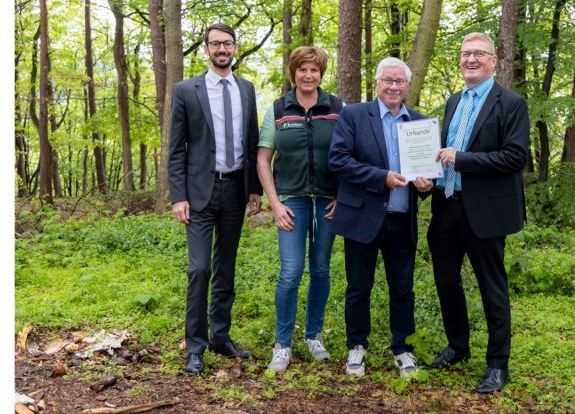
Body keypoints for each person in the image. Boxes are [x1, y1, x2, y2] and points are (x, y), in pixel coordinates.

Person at [423, 32, 530, 394]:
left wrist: (462, 159)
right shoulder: (454, 101)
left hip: (485, 213)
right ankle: (458, 346)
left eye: (479, 54)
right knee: (446, 282)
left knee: (492, 289)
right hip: (447, 207)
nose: (471, 59)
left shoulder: (511, 103)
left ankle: (498, 365)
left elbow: (515, 157)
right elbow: (442, 154)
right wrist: (426, 177)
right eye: (466, 54)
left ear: (493, 60)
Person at [328, 57, 434, 379]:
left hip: (402, 220)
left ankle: (403, 350)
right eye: (388, 80)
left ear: (407, 86)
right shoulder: (354, 115)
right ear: (377, 83)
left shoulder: (419, 124)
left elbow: (427, 175)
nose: (393, 86)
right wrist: (381, 177)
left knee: (403, 288)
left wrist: (428, 184)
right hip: (363, 217)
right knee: (358, 286)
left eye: (399, 81)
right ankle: (356, 347)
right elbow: (338, 160)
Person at [168, 22, 263, 376]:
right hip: (199, 194)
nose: (221, 49)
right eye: (215, 44)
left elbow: (252, 142)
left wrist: (253, 188)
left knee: (225, 268)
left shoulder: (247, 89)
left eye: (227, 43)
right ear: (206, 49)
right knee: (199, 269)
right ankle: (196, 346)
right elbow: (176, 148)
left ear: (236, 48)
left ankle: (220, 337)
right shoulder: (186, 91)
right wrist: (178, 196)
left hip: (236, 190)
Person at [256, 46, 343, 373]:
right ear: (293, 73)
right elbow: (263, 159)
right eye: (302, 70)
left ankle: (313, 335)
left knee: (320, 269)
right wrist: (275, 203)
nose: (308, 76)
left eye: (314, 70)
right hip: (290, 202)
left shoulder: (337, 108)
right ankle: (282, 344)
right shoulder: (277, 110)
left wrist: (343, 195)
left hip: (327, 202)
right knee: (291, 272)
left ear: (321, 74)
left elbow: (351, 152)